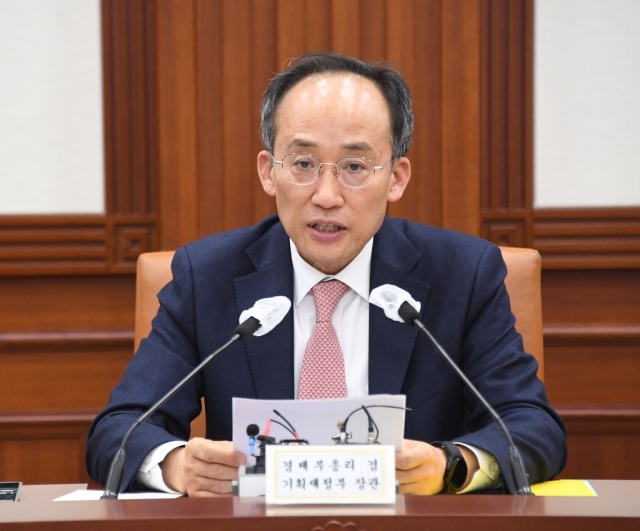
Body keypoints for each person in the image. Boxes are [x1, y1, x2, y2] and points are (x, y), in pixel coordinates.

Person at [86, 52, 567, 497]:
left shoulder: (462, 275)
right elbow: (119, 429)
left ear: (396, 177)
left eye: (355, 166)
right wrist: (175, 466)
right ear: (268, 172)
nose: (327, 195)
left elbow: (531, 426)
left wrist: (451, 465)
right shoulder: (207, 277)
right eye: (303, 164)